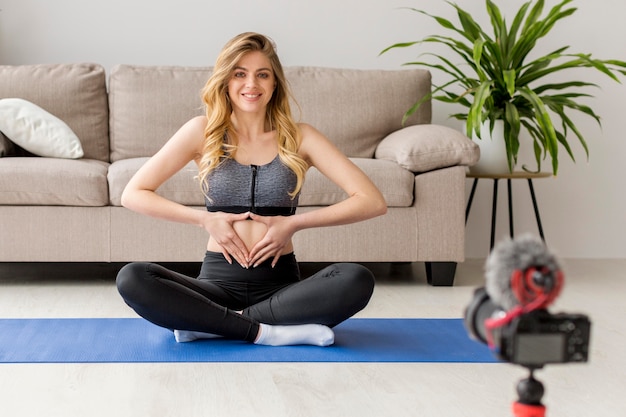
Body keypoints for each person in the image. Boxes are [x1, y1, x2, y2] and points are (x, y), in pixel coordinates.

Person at [115, 32, 387, 347]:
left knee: (356, 279)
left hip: (281, 289)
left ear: (275, 83)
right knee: (133, 278)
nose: (251, 84)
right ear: (226, 81)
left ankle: (214, 323)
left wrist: (295, 223)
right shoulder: (201, 132)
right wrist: (204, 219)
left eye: (262, 75)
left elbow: (372, 201)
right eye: (240, 74)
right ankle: (267, 332)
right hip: (216, 285)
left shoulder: (301, 137)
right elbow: (133, 193)